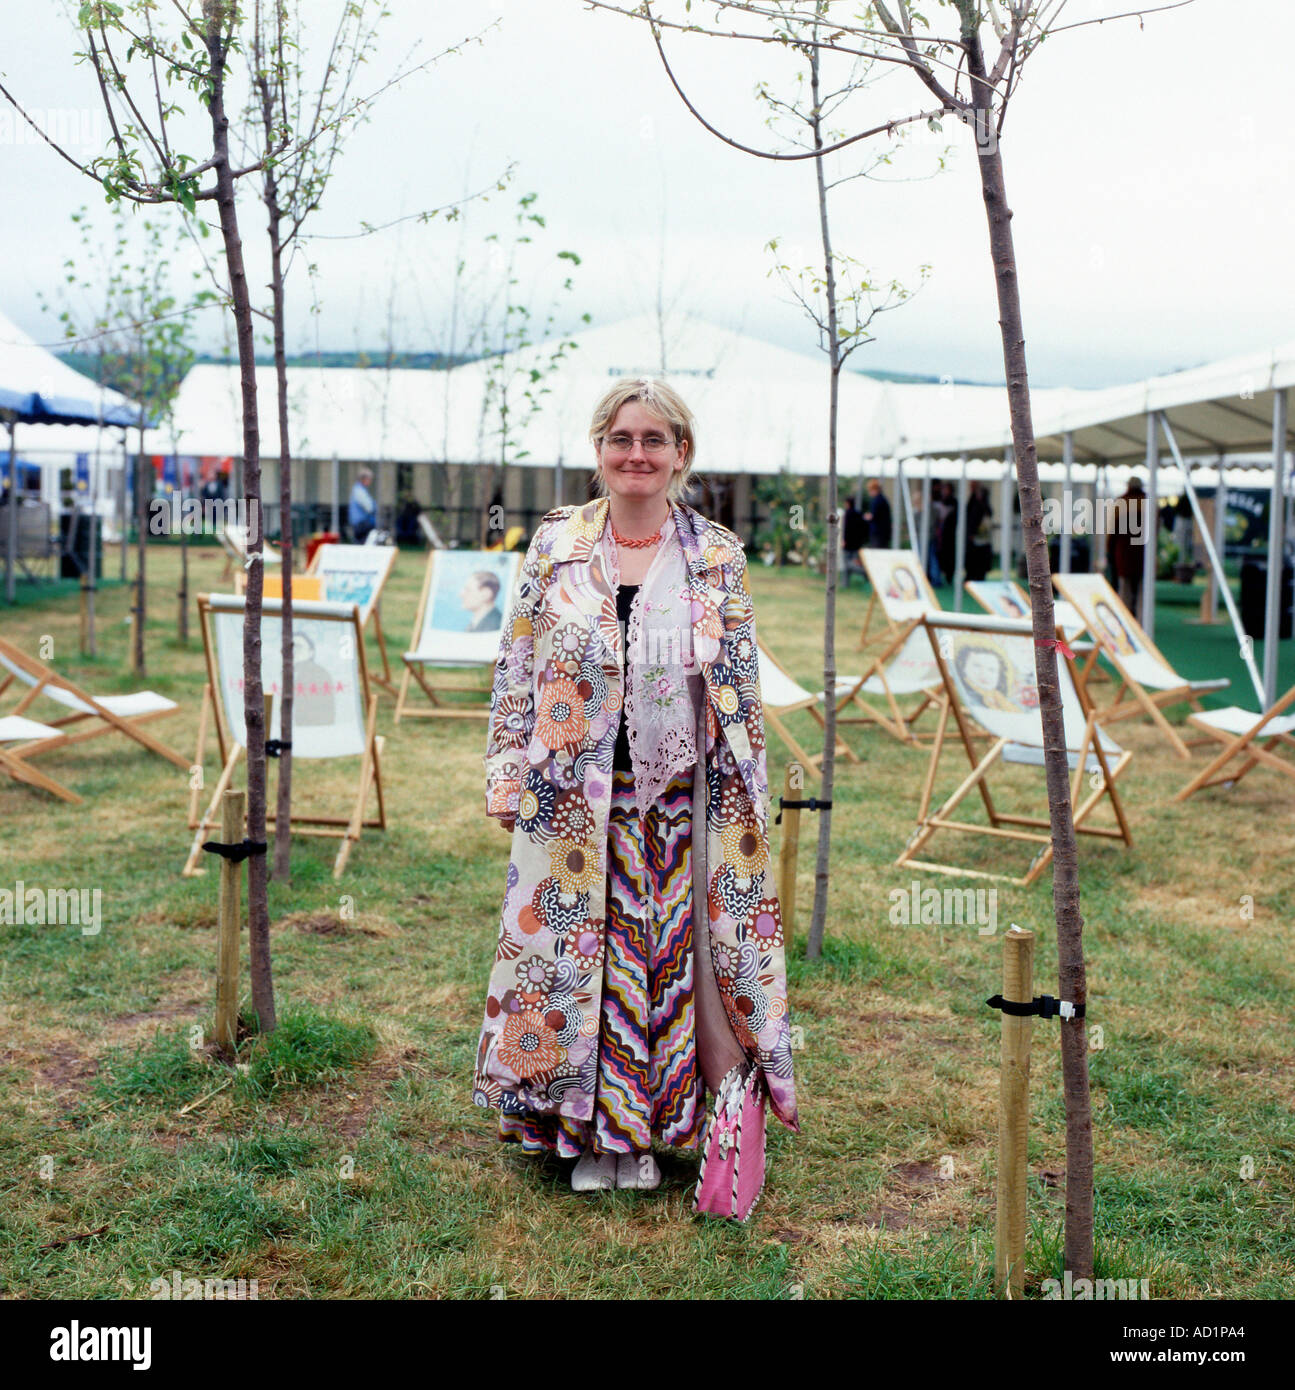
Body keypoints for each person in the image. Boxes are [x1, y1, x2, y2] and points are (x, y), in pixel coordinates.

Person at [475, 376, 799, 1201]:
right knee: (569, 964)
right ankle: (581, 1133)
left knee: (656, 973)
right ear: (599, 451)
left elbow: (738, 686)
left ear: (680, 455)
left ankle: (644, 1132)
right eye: (622, 440)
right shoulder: (554, 545)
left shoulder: (714, 555)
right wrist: (506, 769)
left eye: (655, 441)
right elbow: (516, 661)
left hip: (673, 805)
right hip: (567, 800)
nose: (637, 455)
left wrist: (741, 802)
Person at [1108, 478, 1147, 616]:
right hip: (1142, 552)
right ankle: (1141, 616)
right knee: (1142, 587)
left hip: (1124, 552)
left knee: (1125, 587)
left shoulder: (1121, 501)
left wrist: (1110, 548)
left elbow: (1113, 530)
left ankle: (1125, 616)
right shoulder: (1148, 502)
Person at [841, 496, 867, 586]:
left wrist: (843, 540)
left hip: (848, 544)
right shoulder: (859, 514)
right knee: (853, 562)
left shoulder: (847, 514)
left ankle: (864, 572)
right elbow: (864, 529)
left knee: (847, 564)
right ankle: (845, 584)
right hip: (857, 544)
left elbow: (846, 528)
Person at [348, 468, 377, 543]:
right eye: (369, 479)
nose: (370, 481)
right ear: (364, 479)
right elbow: (369, 508)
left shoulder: (359, 489)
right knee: (363, 545)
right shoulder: (359, 491)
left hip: (360, 523)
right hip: (361, 524)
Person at [862, 478, 892, 548]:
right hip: (883, 532)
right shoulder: (883, 499)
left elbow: (873, 516)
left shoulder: (877, 500)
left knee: (877, 551)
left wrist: (865, 517)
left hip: (878, 532)